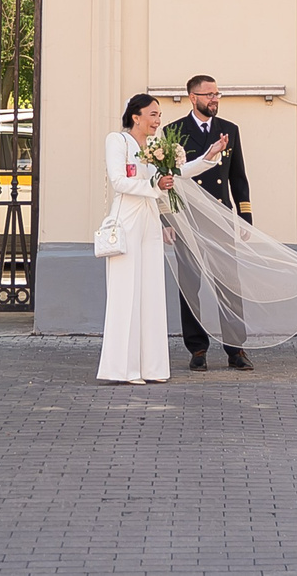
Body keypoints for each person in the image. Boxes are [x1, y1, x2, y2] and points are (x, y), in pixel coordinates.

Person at [96, 93, 218, 385]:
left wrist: (207, 158)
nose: (158, 120)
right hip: (126, 220)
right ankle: (123, 369)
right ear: (136, 116)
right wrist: (153, 184)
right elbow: (119, 181)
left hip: (150, 220)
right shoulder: (117, 141)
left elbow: (176, 174)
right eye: (153, 114)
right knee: (127, 293)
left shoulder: (154, 146)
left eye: (159, 115)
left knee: (150, 292)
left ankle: (151, 367)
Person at [172, 74, 253, 371]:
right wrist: (167, 221)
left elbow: (238, 179)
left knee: (229, 286)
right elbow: (168, 183)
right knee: (190, 286)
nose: (214, 99)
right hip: (188, 221)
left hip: (220, 220)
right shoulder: (174, 131)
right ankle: (197, 349)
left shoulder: (229, 130)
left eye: (217, 94)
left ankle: (236, 349)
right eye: (208, 95)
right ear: (193, 98)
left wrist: (245, 219)